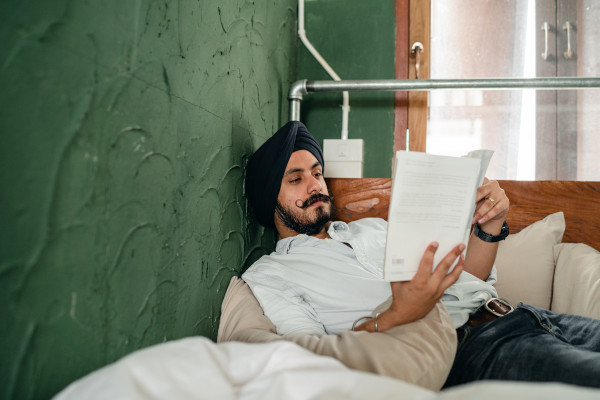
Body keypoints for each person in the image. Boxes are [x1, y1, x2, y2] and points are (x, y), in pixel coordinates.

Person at [241, 121, 600, 388]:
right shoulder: (272, 275)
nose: (315, 185)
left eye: (317, 173)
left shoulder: (375, 228)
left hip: (525, 316)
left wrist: (490, 224)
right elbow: (315, 353)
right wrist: (397, 315)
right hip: (469, 350)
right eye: (296, 179)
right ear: (268, 198)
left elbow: (469, 280)